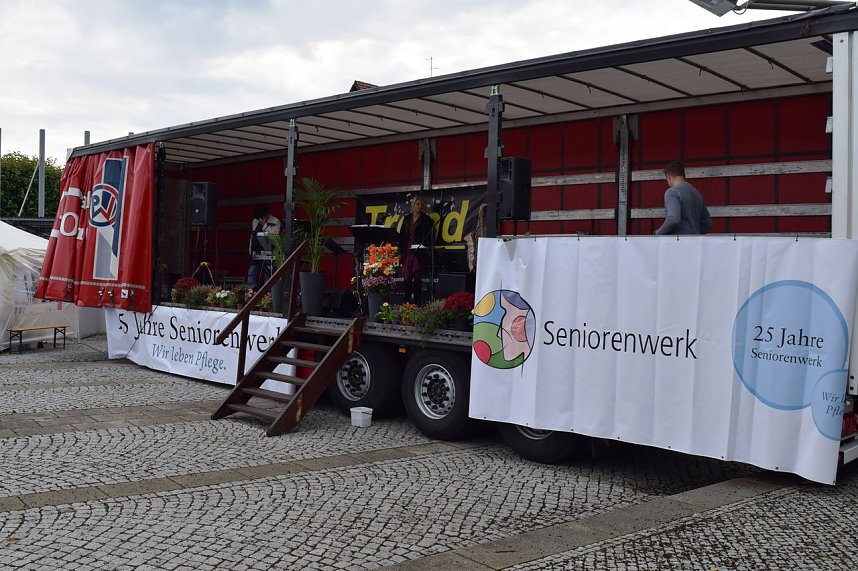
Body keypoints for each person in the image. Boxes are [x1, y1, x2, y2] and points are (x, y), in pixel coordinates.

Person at [655, 161, 712, 235]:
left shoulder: (672, 192)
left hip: (679, 242)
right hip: (696, 242)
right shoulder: (696, 193)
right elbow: (707, 224)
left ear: (669, 176)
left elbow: (673, 219)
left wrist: (657, 234)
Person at [398, 194, 434, 305]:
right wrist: (400, 252)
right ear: (413, 205)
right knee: (407, 278)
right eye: (417, 204)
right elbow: (401, 237)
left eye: (421, 204)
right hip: (407, 251)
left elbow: (430, 237)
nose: (419, 206)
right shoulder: (406, 219)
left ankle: (416, 305)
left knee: (418, 278)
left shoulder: (427, 220)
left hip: (418, 251)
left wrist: (424, 247)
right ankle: (406, 304)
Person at [247, 205, 282, 290]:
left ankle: (267, 293)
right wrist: (250, 249)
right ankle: (251, 290)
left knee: (269, 272)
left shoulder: (275, 221)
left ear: (267, 215)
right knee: (253, 271)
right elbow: (254, 236)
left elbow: (274, 236)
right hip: (257, 249)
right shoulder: (255, 221)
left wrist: (264, 225)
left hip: (270, 250)